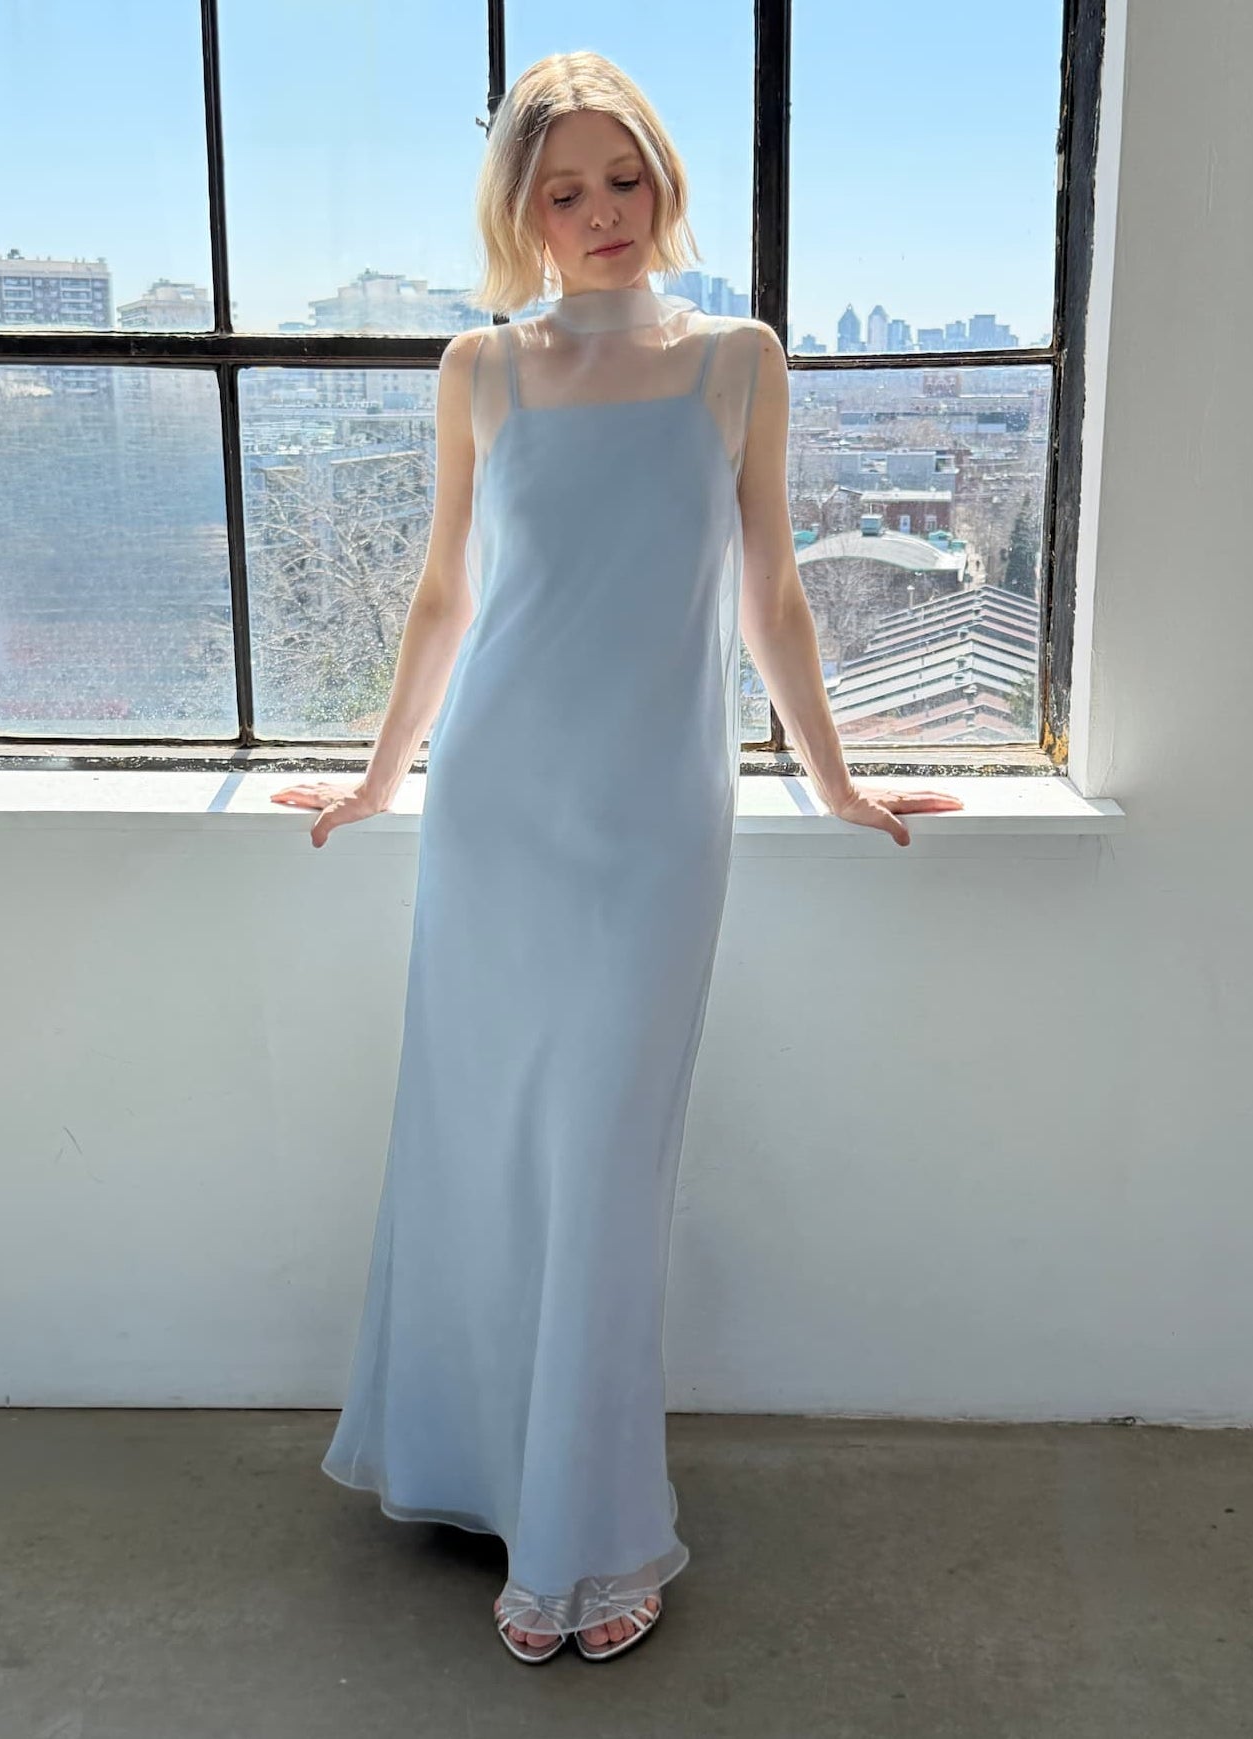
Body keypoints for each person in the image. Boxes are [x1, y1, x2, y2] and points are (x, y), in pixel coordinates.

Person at [271, 50, 965, 1666]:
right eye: (562, 190)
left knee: (601, 1165)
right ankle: (489, 1481)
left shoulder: (738, 359)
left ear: (663, 184)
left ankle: (582, 1540)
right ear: (520, 208)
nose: (598, 216)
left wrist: (840, 779)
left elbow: (771, 596)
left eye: (623, 181)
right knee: (481, 1148)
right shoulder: (480, 369)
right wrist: (383, 779)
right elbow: (446, 599)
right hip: (498, 807)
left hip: (655, 821)